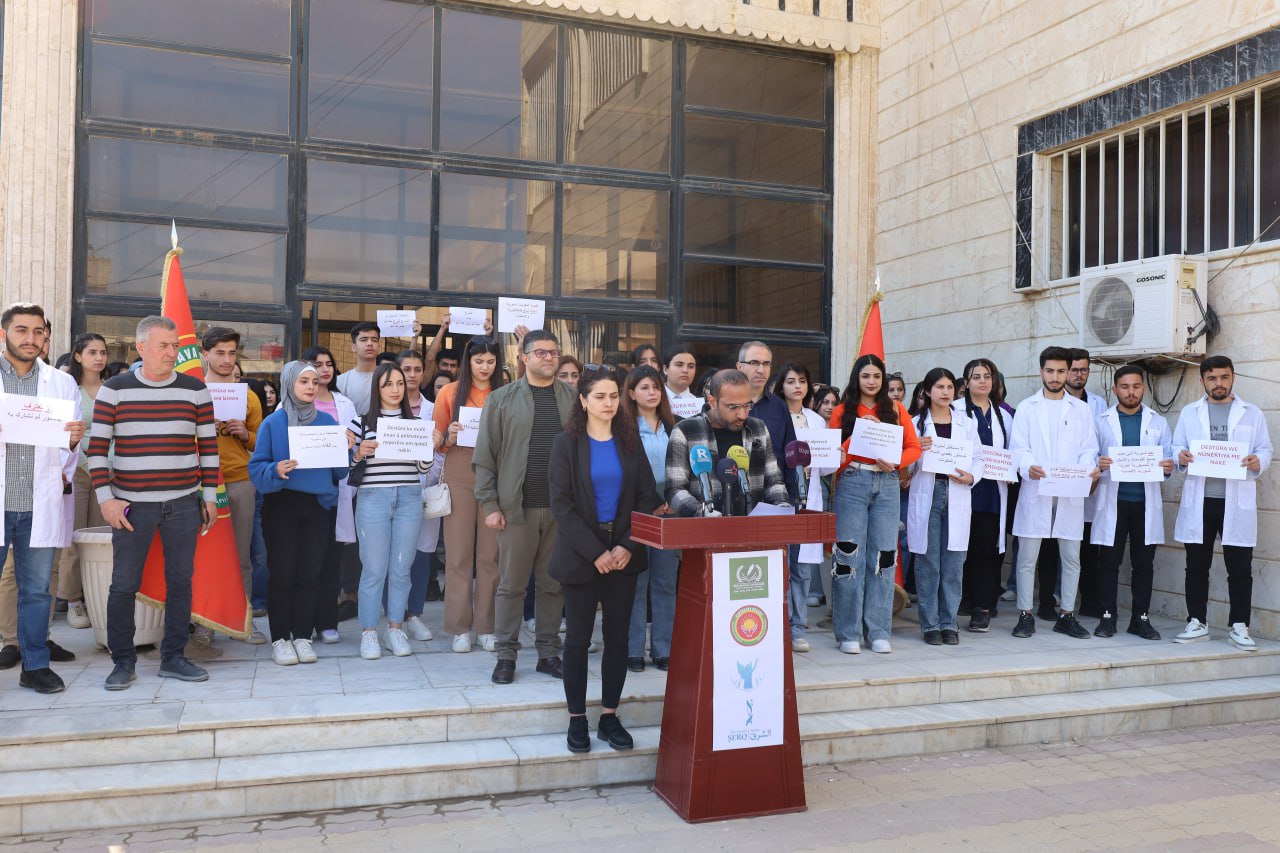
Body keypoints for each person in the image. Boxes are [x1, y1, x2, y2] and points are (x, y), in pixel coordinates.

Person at [89, 315, 217, 690]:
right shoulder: (114, 389)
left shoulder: (196, 389)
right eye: (164, 346)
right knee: (123, 584)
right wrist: (106, 500)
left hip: (183, 503)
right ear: (141, 347)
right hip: (131, 506)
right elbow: (96, 450)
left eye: (175, 345)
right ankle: (122, 662)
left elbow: (209, 448)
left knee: (180, 582)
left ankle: (173, 657)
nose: (172, 352)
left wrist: (209, 497)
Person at [550, 366, 662, 754]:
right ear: (583, 400)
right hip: (582, 552)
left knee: (617, 639)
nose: (608, 403)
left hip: (624, 553)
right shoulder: (566, 444)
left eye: (614, 396)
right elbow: (561, 505)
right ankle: (577, 719)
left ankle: (609, 716)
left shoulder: (630, 442)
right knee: (578, 640)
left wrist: (627, 545)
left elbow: (647, 497)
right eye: (599, 396)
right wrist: (596, 552)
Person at [474, 330, 576, 684]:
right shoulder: (501, 399)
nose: (549, 358)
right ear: (524, 357)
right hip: (516, 509)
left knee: (553, 585)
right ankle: (506, 655)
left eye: (554, 352)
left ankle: (548, 653)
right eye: (541, 352)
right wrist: (490, 504)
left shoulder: (573, 399)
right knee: (511, 586)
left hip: (561, 510)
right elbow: (484, 456)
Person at [0, 304, 82, 693]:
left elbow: (69, 450)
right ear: (3, 334)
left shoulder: (61, 384)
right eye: (21, 330)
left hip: (38, 505)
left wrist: (72, 440)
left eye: (37, 331)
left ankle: (34, 666)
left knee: (36, 592)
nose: (30, 338)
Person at [249, 361, 347, 666]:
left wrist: (345, 450)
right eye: (303, 381)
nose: (310, 387)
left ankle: (303, 636)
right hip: (282, 505)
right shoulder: (273, 423)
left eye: (314, 382)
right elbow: (257, 468)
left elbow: (339, 472)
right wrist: (275, 469)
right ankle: (280, 638)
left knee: (310, 573)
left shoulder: (328, 422)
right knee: (283, 573)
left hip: (318, 507)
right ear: (289, 383)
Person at [1171, 355, 1272, 650]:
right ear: (1203, 380)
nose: (1219, 383)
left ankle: (1239, 625)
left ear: (1233, 378)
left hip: (1235, 502)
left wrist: (1258, 461)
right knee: (1196, 566)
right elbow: (1177, 446)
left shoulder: (1251, 413)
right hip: (1201, 500)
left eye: (1224, 377)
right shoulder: (1190, 413)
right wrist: (1180, 456)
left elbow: (1265, 449)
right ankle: (1197, 621)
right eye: (1212, 378)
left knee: (1239, 568)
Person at [828, 354, 921, 654]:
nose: (871, 381)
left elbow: (914, 447)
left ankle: (879, 630)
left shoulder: (895, 408)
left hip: (888, 482)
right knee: (848, 556)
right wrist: (857, 433)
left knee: (883, 557)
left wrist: (896, 462)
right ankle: (848, 632)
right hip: (853, 480)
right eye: (866, 376)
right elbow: (834, 457)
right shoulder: (842, 411)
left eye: (877, 376)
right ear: (856, 378)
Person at [1008, 346, 1100, 641]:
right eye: (1050, 371)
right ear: (1041, 371)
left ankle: (1067, 615)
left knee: (1071, 557)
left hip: (1069, 491)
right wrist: (1028, 466)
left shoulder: (1081, 409)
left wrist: (1087, 468)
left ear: (1068, 372)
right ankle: (1025, 615)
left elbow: (1088, 448)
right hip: (1037, 489)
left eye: (1061, 371)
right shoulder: (1027, 408)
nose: (1055, 376)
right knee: (1027, 557)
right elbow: (1018, 448)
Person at [348, 362, 430, 660]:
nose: (395, 389)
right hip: (373, 498)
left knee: (401, 567)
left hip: (409, 496)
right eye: (387, 384)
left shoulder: (416, 422)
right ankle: (369, 631)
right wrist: (358, 453)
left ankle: (395, 627)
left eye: (399, 383)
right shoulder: (360, 422)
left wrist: (429, 448)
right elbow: (347, 466)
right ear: (377, 389)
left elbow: (423, 468)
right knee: (373, 569)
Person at [433, 337, 505, 653]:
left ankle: (486, 627)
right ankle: (460, 627)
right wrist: (448, 436)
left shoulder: (505, 392)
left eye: (490, 361)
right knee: (459, 553)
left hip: (497, 470)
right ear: (468, 361)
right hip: (460, 467)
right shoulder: (450, 392)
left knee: (491, 555)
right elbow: (436, 442)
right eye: (479, 361)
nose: (485, 367)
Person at [1091, 365, 1173, 640]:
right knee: (1108, 563)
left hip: (1144, 503)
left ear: (1143, 389)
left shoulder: (1158, 422)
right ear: (1115, 390)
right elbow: (1088, 455)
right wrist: (1098, 463)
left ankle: (1141, 619)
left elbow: (1169, 458)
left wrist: (1168, 466)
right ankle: (1107, 616)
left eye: (1136, 386)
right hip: (1113, 502)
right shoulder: (1101, 421)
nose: (1131, 392)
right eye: (1125, 387)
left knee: (1143, 565)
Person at [200, 327, 265, 646]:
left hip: (239, 480)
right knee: (203, 556)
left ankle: (243, 621)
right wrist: (201, 429)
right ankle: (203, 623)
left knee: (241, 556)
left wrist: (245, 434)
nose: (226, 359)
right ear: (205, 354)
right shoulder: (193, 392)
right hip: (201, 483)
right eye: (220, 353)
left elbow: (260, 444)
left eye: (232, 353)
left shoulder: (248, 396)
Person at [907, 368, 977, 646]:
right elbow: (905, 466)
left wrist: (972, 476)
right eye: (939, 387)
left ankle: (949, 622)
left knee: (954, 563)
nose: (945, 392)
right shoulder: (915, 424)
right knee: (928, 563)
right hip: (929, 492)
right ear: (927, 391)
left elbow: (979, 457)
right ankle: (930, 624)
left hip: (957, 490)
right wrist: (916, 449)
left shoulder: (966, 423)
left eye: (949, 387)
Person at [664, 369, 789, 517]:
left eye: (746, 405)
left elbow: (773, 481)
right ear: (712, 401)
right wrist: (701, 512)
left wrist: (782, 505)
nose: (742, 414)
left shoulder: (758, 428)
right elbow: (675, 490)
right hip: (703, 528)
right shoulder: (685, 431)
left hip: (751, 527)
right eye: (733, 407)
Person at [772, 362, 833, 653]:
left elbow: (826, 467)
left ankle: (797, 628)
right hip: (781, 494)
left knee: (802, 568)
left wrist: (835, 455)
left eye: (802, 381)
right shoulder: (774, 416)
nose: (797, 386)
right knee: (779, 566)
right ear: (781, 386)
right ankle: (776, 626)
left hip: (810, 495)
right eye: (791, 381)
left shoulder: (817, 421)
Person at [620, 365, 677, 672]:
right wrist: (651, 502)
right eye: (644, 387)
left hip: (671, 510)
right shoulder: (622, 428)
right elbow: (626, 473)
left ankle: (663, 649)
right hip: (638, 512)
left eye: (656, 387)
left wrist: (672, 500)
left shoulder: (674, 425)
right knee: (637, 582)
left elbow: (683, 467)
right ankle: (633, 650)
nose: (652, 392)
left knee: (665, 582)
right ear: (631, 393)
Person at [299, 346, 359, 644]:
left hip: (337, 488)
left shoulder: (344, 403)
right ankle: (303, 622)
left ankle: (327, 622)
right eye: (317, 364)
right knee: (307, 560)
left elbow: (357, 442)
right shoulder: (290, 405)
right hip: (305, 490)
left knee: (332, 559)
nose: (324, 370)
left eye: (328, 364)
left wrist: (351, 441)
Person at [56, 333, 111, 630]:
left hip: (109, 473)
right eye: (92, 352)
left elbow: (120, 431)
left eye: (103, 352)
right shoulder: (69, 390)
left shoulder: (113, 389)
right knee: (73, 538)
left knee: (101, 539)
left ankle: (97, 598)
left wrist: (108, 463)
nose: (99, 358)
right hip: (75, 470)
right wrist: (88, 461)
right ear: (77, 356)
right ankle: (73, 600)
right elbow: (64, 431)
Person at [956, 358, 1012, 633]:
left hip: (991, 493)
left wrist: (1013, 468)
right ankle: (959, 600)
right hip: (961, 489)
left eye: (987, 376)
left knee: (986, 551)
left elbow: (1014, 451)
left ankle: (982, 608)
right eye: (976, 376)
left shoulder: (1004, 415)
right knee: (958, 550)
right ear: (966, 382)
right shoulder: (955, 410)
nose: (982, 381)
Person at [396, 349, 440, 642]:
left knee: (422, 554)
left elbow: (442, 451)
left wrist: (430, 475)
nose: (412, 375)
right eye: (406, 369)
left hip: (425, 490)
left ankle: (415, 614)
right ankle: (395, 616)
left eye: (417, 369)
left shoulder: (434, 410)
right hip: (392, 492)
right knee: (395, 556)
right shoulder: (385, 409)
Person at [1062, 348, 1108, 618]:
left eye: (1084, 370)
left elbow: (1100, 441)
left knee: (1090, 548)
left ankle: (1089, 601)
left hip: (1091, 483)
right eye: (1074, 369)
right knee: (1056, 547)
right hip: (1062, 483)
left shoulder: (1099, 404)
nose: (1079, 375)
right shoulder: (1054, 401)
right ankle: (1051, 600)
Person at [736, 341, 796, 480]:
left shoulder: (779, 406)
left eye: (766, 364)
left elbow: (790, 454)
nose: (761, 370)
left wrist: (791, 491)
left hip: (773, 488)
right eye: (754, 363)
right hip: (735, 486)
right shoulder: (728, 406)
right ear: (739, 366)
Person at [336, 322, 380, 416]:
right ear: (353, 347)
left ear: (379, 346)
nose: (369, 343)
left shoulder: (389, 378)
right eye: (363, 340)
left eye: (374, 340)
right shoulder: (341, 381)